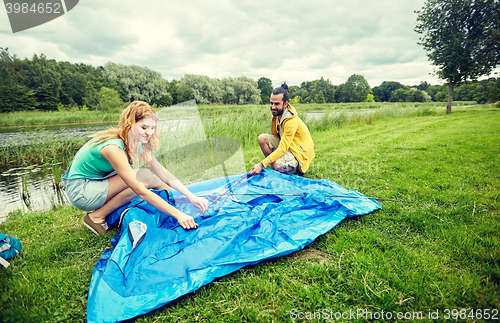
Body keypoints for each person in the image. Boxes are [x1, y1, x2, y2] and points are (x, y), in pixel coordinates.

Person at [62, 101, 208, 235]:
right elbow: (140, 191)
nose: (149, 133)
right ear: (130, 124)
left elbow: (162, 172)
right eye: (144, 127)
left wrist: (190, 196)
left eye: (152, 128)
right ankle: (96, 217)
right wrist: (178, 215)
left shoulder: (136, 141)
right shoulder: (113, 148)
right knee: (143, 177)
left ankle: (177, 200)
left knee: (152, 178)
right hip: (82, 191)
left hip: (99, 182)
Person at [249, 83, 315, 176]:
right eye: (271, 103)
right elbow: (277, 137)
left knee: (277, 166)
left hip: (299, 152)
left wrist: (261, 164)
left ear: (285, 104)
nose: (273, 106)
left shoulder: (291, 121)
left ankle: (282, 168)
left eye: (276, 104)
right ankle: (277, 167)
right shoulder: (276, 115)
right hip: (289, 145)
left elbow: (282, 148)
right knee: (262, 138)